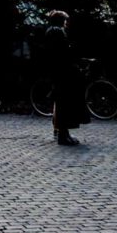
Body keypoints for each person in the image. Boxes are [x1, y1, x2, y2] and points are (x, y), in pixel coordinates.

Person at [44, 10, 89, 146]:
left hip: (58, 71)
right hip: (62, 72)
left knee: (61, 103)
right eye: (65, 20)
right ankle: (63, 134)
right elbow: (63, 53)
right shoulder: (58, 32)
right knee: (65, 103)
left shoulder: (52, 31)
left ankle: (61, 131)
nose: (66, 23)